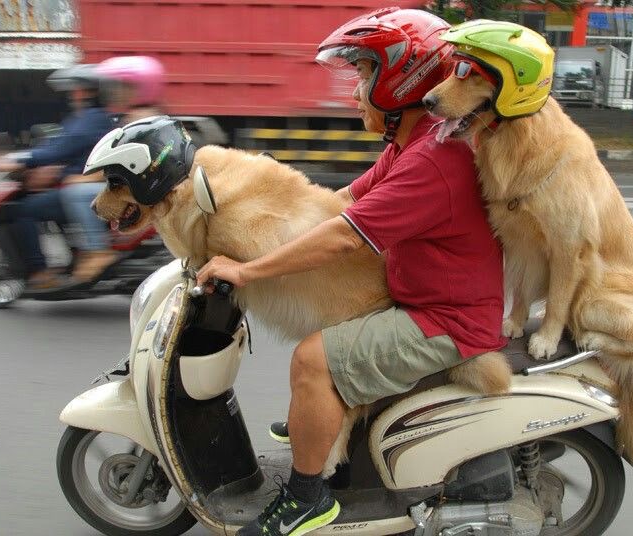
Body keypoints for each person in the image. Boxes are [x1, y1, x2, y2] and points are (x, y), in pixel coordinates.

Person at [194, 8, 508, 536]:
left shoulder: (431, 161)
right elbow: (340, 204)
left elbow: (344, 236)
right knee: (328, 347)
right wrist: (263, 223)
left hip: (447, 321)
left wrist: (248, 270)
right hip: (425, 301)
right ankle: (321, 429)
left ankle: (306, 500)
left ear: (401, 78)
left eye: (364, 75)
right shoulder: (415, 142)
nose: (356, 90)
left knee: (312, 360)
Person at [0, 64, 115, 288]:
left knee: (23, 211)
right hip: (74, 183)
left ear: (88, 91)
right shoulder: (83, 116)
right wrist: (24, 155)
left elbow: (59, 149)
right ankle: (75, 255)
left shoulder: (92, 118)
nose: (72, 93)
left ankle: (40, 272)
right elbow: (56, 143)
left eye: (75, 88)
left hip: (85, 187)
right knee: (43, 201)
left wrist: (19, 160)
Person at [59, 55, 166, 282]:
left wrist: (84, 179)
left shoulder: (139, 120)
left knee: (74, 193)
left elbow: (121, 164)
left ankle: (98, 250)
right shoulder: (141, 115)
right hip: (141, 182)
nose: (116, 91)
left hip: (138, 187)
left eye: (123, 86)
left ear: (141, 88)